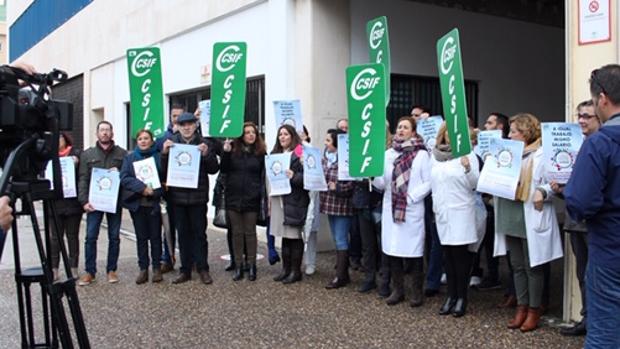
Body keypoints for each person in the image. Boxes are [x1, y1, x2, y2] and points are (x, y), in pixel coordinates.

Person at [565, 64, 620, 348]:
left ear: (602, 99)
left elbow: (581, 200)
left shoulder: (600, 144)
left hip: (610, 247)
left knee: (605, 331)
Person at [494, 113, 563, 332]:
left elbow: (554, 183)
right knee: (517, 265)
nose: (510, 135)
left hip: (530, 214)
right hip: (509, 212)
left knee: (533, 266)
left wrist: (543, 191)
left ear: (526, 133)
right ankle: (521, 307)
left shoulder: (542, 154)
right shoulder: (507, 153)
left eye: (514, 131)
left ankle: (534, 310)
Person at [373, 116, 431, 307]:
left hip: (411, 208)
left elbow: (429, 182)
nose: (401, 130)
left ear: (413, 132)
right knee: (393, 250)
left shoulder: (421, 155)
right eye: (399, 127)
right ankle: (397, 290)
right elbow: (382, 183)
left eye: (405, 127)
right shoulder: (388, 154)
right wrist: (372, 176)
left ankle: (416, 292)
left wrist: (412, 197)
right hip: (391, 207)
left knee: (413, 251)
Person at [161, 112, 219, 285]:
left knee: (200, 235)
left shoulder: (205, 143)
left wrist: (207, 155)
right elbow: (163, 172)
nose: (186, 127)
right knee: (183, 235)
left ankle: (203, 268)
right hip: (177, 198)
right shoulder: (172, 143)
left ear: (195, 125)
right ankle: (185, 270)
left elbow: (214, 169)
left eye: (190, 124)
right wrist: (164, 154)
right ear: (177, 126)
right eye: (183, 124)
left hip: (198, 198)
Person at [430, 123, 481, 317]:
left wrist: (468, 169)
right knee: (447, 257)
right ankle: (450, 296)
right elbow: (431, 182)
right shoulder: (435, 156)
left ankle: (462, 297)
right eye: (447, 133)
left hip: (461, 212)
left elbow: (475, 184)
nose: (449, 136)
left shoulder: (468, 155)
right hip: (442, 213)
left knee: (460, 258)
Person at [77, 121, 127, 286]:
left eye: (107, 130)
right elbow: (83, 179)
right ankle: (90, 272)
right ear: (97, 133)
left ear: (112, 133)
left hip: (114, 202)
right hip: (94, 202)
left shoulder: (122, 154)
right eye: (102, 130)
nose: (105, 133)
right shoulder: (88, 154)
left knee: (114, 237)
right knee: (90, 237)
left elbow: (127, 177)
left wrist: (119, 174)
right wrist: (84, 201)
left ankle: (111, 269)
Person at [220, 122, 266, 281]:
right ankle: (238, 265)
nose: (251, 135)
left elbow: (264, 174)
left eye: (253, 132)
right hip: (233, 197)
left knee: (250, 233)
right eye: (247, 132)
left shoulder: (260, 153)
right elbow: (224, 169)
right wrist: (225, 152)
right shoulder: (233, 151)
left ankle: (252, 265)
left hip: (251, 198)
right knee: (237, 233)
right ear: (242, 135)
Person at [120, 129, 164, 284]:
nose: (143, 141)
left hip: (154, 204)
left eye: (146, 138)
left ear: (152, 141)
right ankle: (143, 268)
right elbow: (124, 178)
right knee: (141, 238)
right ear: (136, 141)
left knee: (156, 237)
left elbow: (165, 179)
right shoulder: (130, 158)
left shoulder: (158, 157)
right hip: (137, 204)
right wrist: (142, 188)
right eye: (140, 139)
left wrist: (155, 191)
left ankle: (157, 268)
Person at [270, 125, 310, 285]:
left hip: (294, 201)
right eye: (280, 134)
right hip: (279, 200)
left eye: (286, 134)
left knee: (294, 237)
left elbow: (308, 178)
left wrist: (294, 176)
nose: (282, 137)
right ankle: (285, 269)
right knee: (284, 237)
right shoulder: (275, 155)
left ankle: (295, 271)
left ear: (292, 136)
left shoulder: (300, 154)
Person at [320, 128, 355, 289]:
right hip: (329, 203)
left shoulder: (346, 158)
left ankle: (341, 276)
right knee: (337, 238)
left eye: (328, 140)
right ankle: (343, 273)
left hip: (342, 204)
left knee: (341, 239)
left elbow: (351, 183)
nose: (326, 143)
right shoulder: (326, 158)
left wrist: (337, 187)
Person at [50, 132, 83, 281]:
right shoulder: (48, 156)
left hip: (72, 203)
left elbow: (83, 174)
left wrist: (77, 162)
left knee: (72, 236)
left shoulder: (75, 153)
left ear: (66, 139)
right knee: (55, 239)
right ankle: (54, 268)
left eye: (60, 138)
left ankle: (73, 268)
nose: (58, 141)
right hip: (54, 203)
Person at [158, 104, 185, 273]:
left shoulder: (190, 135)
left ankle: (189, 260)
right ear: (170, 117)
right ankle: (167, 259)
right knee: (168, 228)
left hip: (185, 189)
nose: (176, 119)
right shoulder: (162, 137)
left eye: (180, 116)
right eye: (174, 116)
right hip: (168, 190)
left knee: (185, 228)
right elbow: (158, 161)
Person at [300, 125, 320, 275]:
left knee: (311, 230)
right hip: (295, 196)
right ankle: (297, 261)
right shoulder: (288, 151)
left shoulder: (312, 150)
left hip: (310, 194)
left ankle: (310, 262)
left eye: (302, 132)